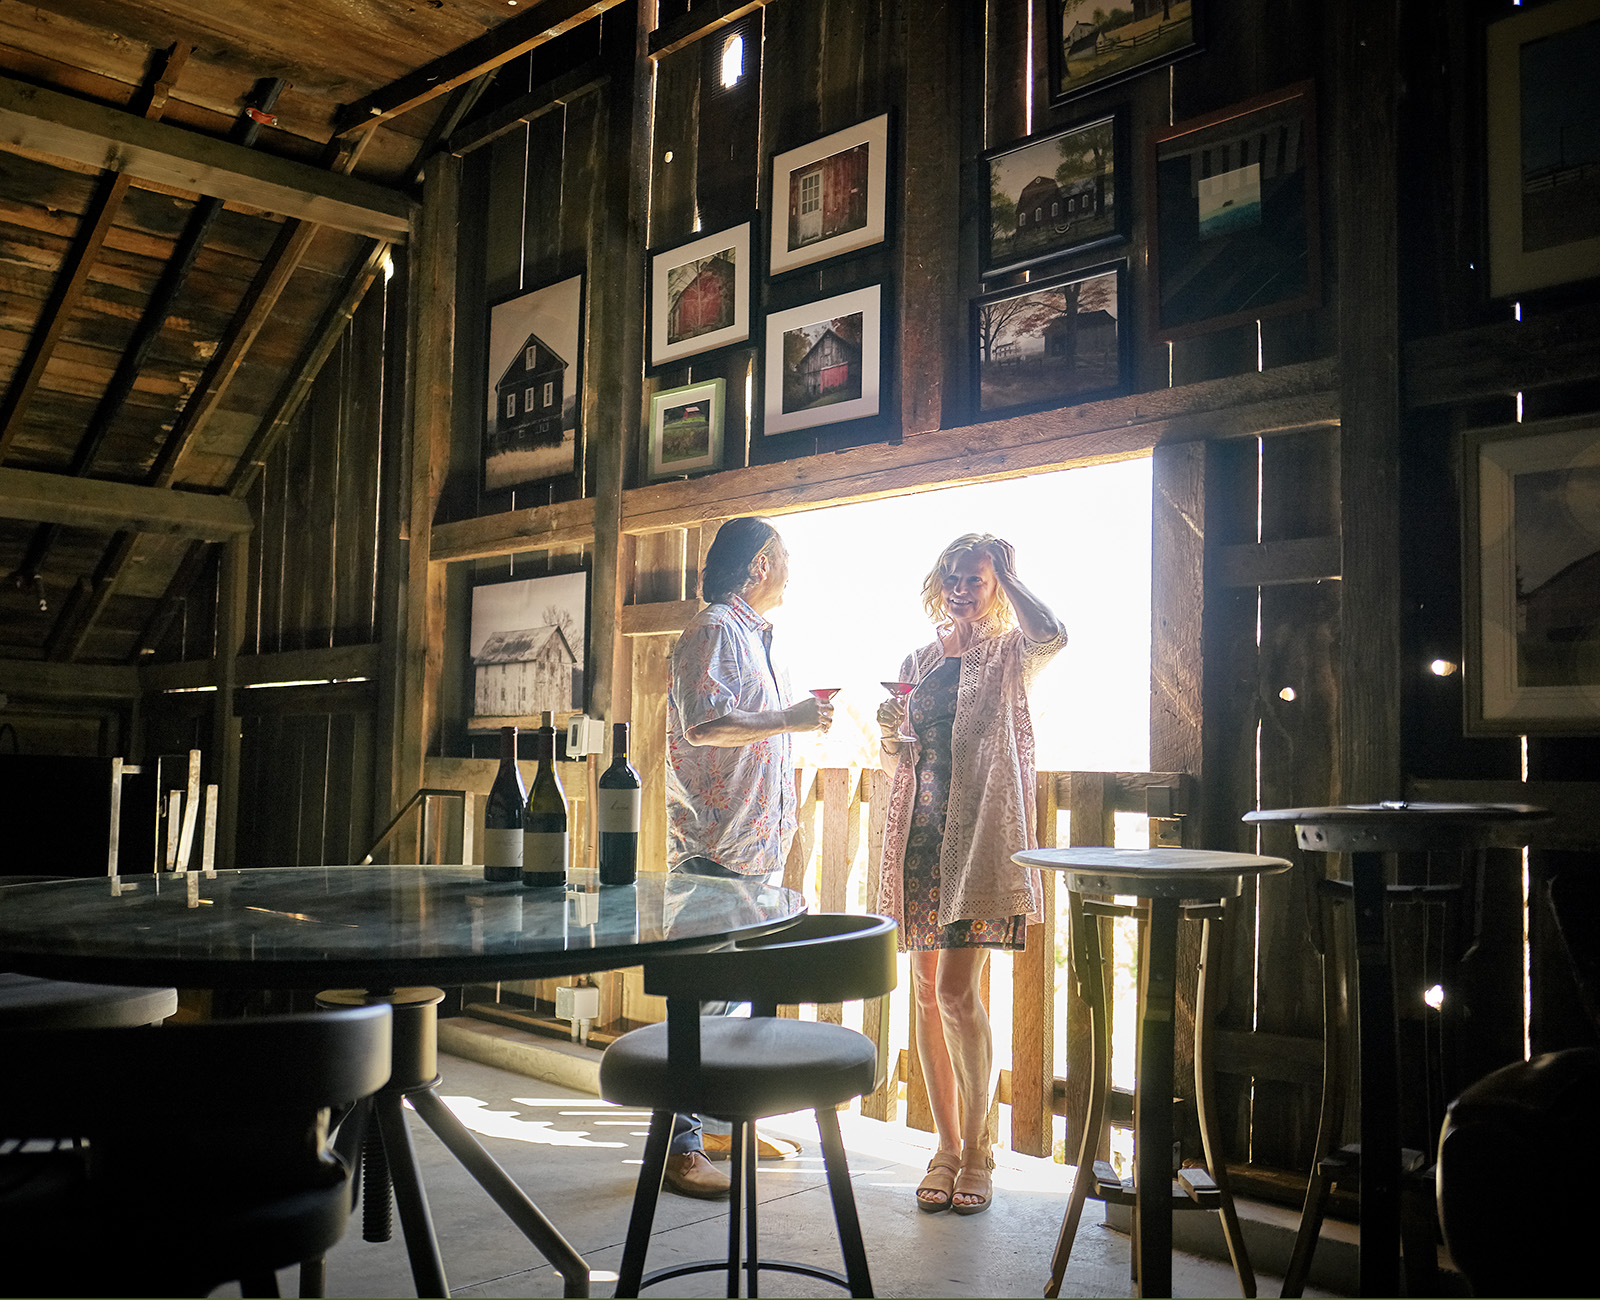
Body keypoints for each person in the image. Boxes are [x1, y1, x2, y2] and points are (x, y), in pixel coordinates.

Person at [874, 534, 1065, 1215]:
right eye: (953, 577)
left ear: (997, 583)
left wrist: (1010, 574)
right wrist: (890, 728)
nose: (960, 589)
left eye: (976, 579)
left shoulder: (1010, 651)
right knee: (924, 994)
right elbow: (902, 745)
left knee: (957, 993)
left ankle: (981, 1149)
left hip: (978, 838)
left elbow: (1054, 634)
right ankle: (946, 1148)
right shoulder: (919, 659)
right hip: (918, 838)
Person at [661, 515, 833, 1198]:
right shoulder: (713, 629)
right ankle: (678, 1147)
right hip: (712, 853)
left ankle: (728, 1124)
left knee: (735, 1004)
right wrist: (789, 719)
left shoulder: (752, 637)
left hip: (749, 853)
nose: (790, 569)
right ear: (760, 564)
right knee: (703, 1004)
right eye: (784, 557)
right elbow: (703, 723)